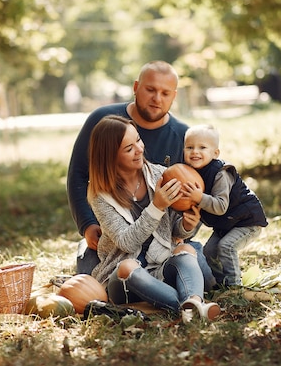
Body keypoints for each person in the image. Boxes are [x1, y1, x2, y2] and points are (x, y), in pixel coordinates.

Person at [67, 60, 207, 277]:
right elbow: (78, 175)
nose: (156, 99)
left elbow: (196, 192)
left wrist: (187, 226)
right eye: (150, 90)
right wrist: (87, 224)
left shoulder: (184, 137)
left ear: (174, 96)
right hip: (116, 239)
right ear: (135, 87)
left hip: (162, 241)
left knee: (199, 270)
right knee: (93, 277)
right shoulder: (102, 120)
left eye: (165, 93)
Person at [88, 116, 220, 320]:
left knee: (186, 249)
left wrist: (186, 225)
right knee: (127, 267)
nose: (140, 149)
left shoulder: (161, 174)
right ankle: (189, 307)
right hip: (127, 279)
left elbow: (174, 231)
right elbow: (127, 243)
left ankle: (192, 302)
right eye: (128, 148)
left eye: (138, 140)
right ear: (110, 156)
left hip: (161, 265)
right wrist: (156, 206)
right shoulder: (100, 195)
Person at [180, 124, 268, 288]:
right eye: (189, 147)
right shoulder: (192, 174)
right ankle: (221, 284)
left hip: (247, 221)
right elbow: (198, 211)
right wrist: (186, 235)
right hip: (227, 223)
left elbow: (220, 206)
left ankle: (235, 286)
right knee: (209, 251)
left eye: (202, 147)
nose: (195, 152)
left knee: (226, 246)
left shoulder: (221, 173)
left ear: (215, 153)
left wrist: (199, 197)